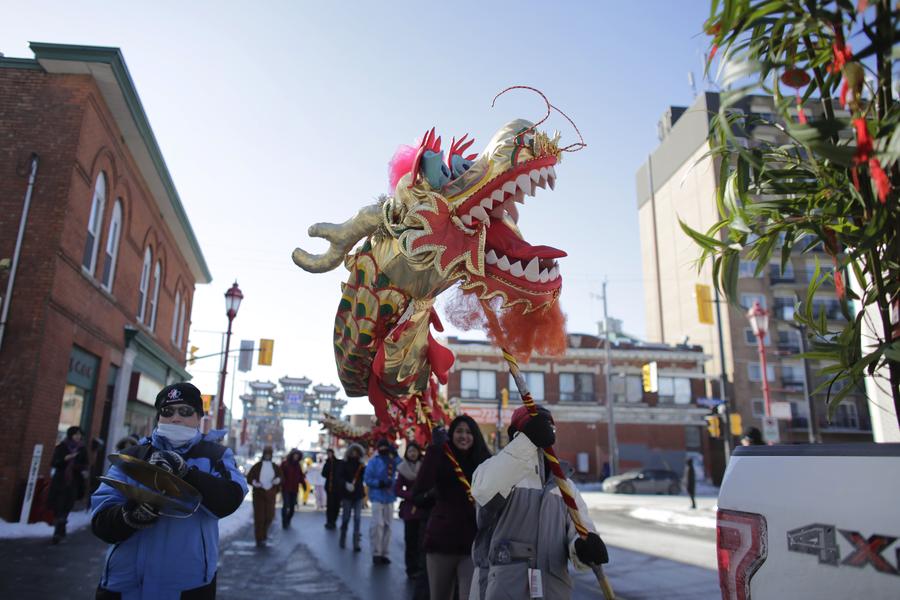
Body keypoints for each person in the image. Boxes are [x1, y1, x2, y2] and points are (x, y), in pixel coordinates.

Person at [91, 382, 248, 599]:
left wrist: (187, 473)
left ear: (198, 417)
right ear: (158, 417)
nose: (176, 417)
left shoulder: (217, 456)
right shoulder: (132, 456)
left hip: (187, 586)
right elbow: (101, 521)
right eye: (167, 411)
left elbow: (231, 498)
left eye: (185, 411)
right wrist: (127, 516)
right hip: (124, 584)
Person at [469, 405, 608, 600]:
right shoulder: (500, 472)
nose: (546, 435)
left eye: (549, 430)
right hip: (502, 589)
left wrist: (582, 548)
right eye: (537, 429)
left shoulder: (565, 486)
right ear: (518, 434)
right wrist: (527, 443)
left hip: (553, 590)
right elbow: (483, 490)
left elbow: (579, 528)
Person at [414, 415, 491, 600]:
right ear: (451, 434)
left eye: (468, 432)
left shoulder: (485, 462)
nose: (463, 436)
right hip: (442, 542)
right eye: (459, 431)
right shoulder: (441, 456)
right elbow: (420, 487)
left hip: (473, 544)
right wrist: (435, 448)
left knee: (470, 596)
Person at [48, 425, 88, 544]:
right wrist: (65, 459)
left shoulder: (82, 449)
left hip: (74, 481)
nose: (78, 437)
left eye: (80, 435)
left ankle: (60, 529)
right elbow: (54, 462)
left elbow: (86, 464)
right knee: (59, 505)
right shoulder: (62, 447)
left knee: (68, 505)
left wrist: (78, 467)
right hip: (60, 481)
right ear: (71, 435)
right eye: (76, 434)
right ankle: (58, 531)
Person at [364, 438, 401, 565]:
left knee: (388, 526)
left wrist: (396, 454)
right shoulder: (373, 462)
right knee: (377, 525)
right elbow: (367, 478)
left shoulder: (392, 461)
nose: (384, 450)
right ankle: (376, 553)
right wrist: (378, 483)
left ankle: (384, 553)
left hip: (389, 496)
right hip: (377, 496)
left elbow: (402, 466)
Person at [395, 441, 425, 578]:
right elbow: (397, 489)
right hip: (409, 510)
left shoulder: (425, 466)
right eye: (410, 451)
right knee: (410, 540)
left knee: (422, 540)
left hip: (423, 508)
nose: (412, 453)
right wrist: (411, 495)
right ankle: (411, 568)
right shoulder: (402, 468)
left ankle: (421, 567)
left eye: (415, 451)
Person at [247, 446, 283, 547]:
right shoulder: (257, 466)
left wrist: (277, 480)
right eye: (266, 453)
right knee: (259, 517)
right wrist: (255, 482)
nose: (267, 455)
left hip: (271, 494)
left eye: (269, 453)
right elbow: (250, 477)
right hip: (259, 494)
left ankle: (264, 534)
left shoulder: (275, 467)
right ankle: (259, 538)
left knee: (270, 516)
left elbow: (281, 477)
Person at [337, 443, 366, 551]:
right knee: (346, 517)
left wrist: (364, 466)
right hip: (347, 494)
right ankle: (343, 536)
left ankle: (356, 542)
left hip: (358, 494)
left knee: (357, 518)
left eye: (357, 452)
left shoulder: (361, 465)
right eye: (353, 451)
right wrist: (345, 484)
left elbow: (365, 476)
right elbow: (339, 477)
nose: (354, 453)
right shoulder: (344, 463)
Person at [279, 449, 305, 528]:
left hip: (294, 489)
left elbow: (300, 476)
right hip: (285, 488)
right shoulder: (284, 464)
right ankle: (284, 522)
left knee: (292, 508)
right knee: (285, 505)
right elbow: (279, 473)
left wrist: (303, 484)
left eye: (297, 456)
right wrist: (280, 482)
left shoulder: (298, 465)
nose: (296, 457)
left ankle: (288, 519)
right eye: (295, 455)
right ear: (292, 455)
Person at [322, 448, 341, 529]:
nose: (329, 455)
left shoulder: (338, 463)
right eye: (328, 453)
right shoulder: (327, 463)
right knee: (330, 505)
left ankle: (333, 521)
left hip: (337, 488)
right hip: (329, 488)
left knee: (336, 505)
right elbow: (323, 473)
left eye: (330, 453)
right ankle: (329, 521)